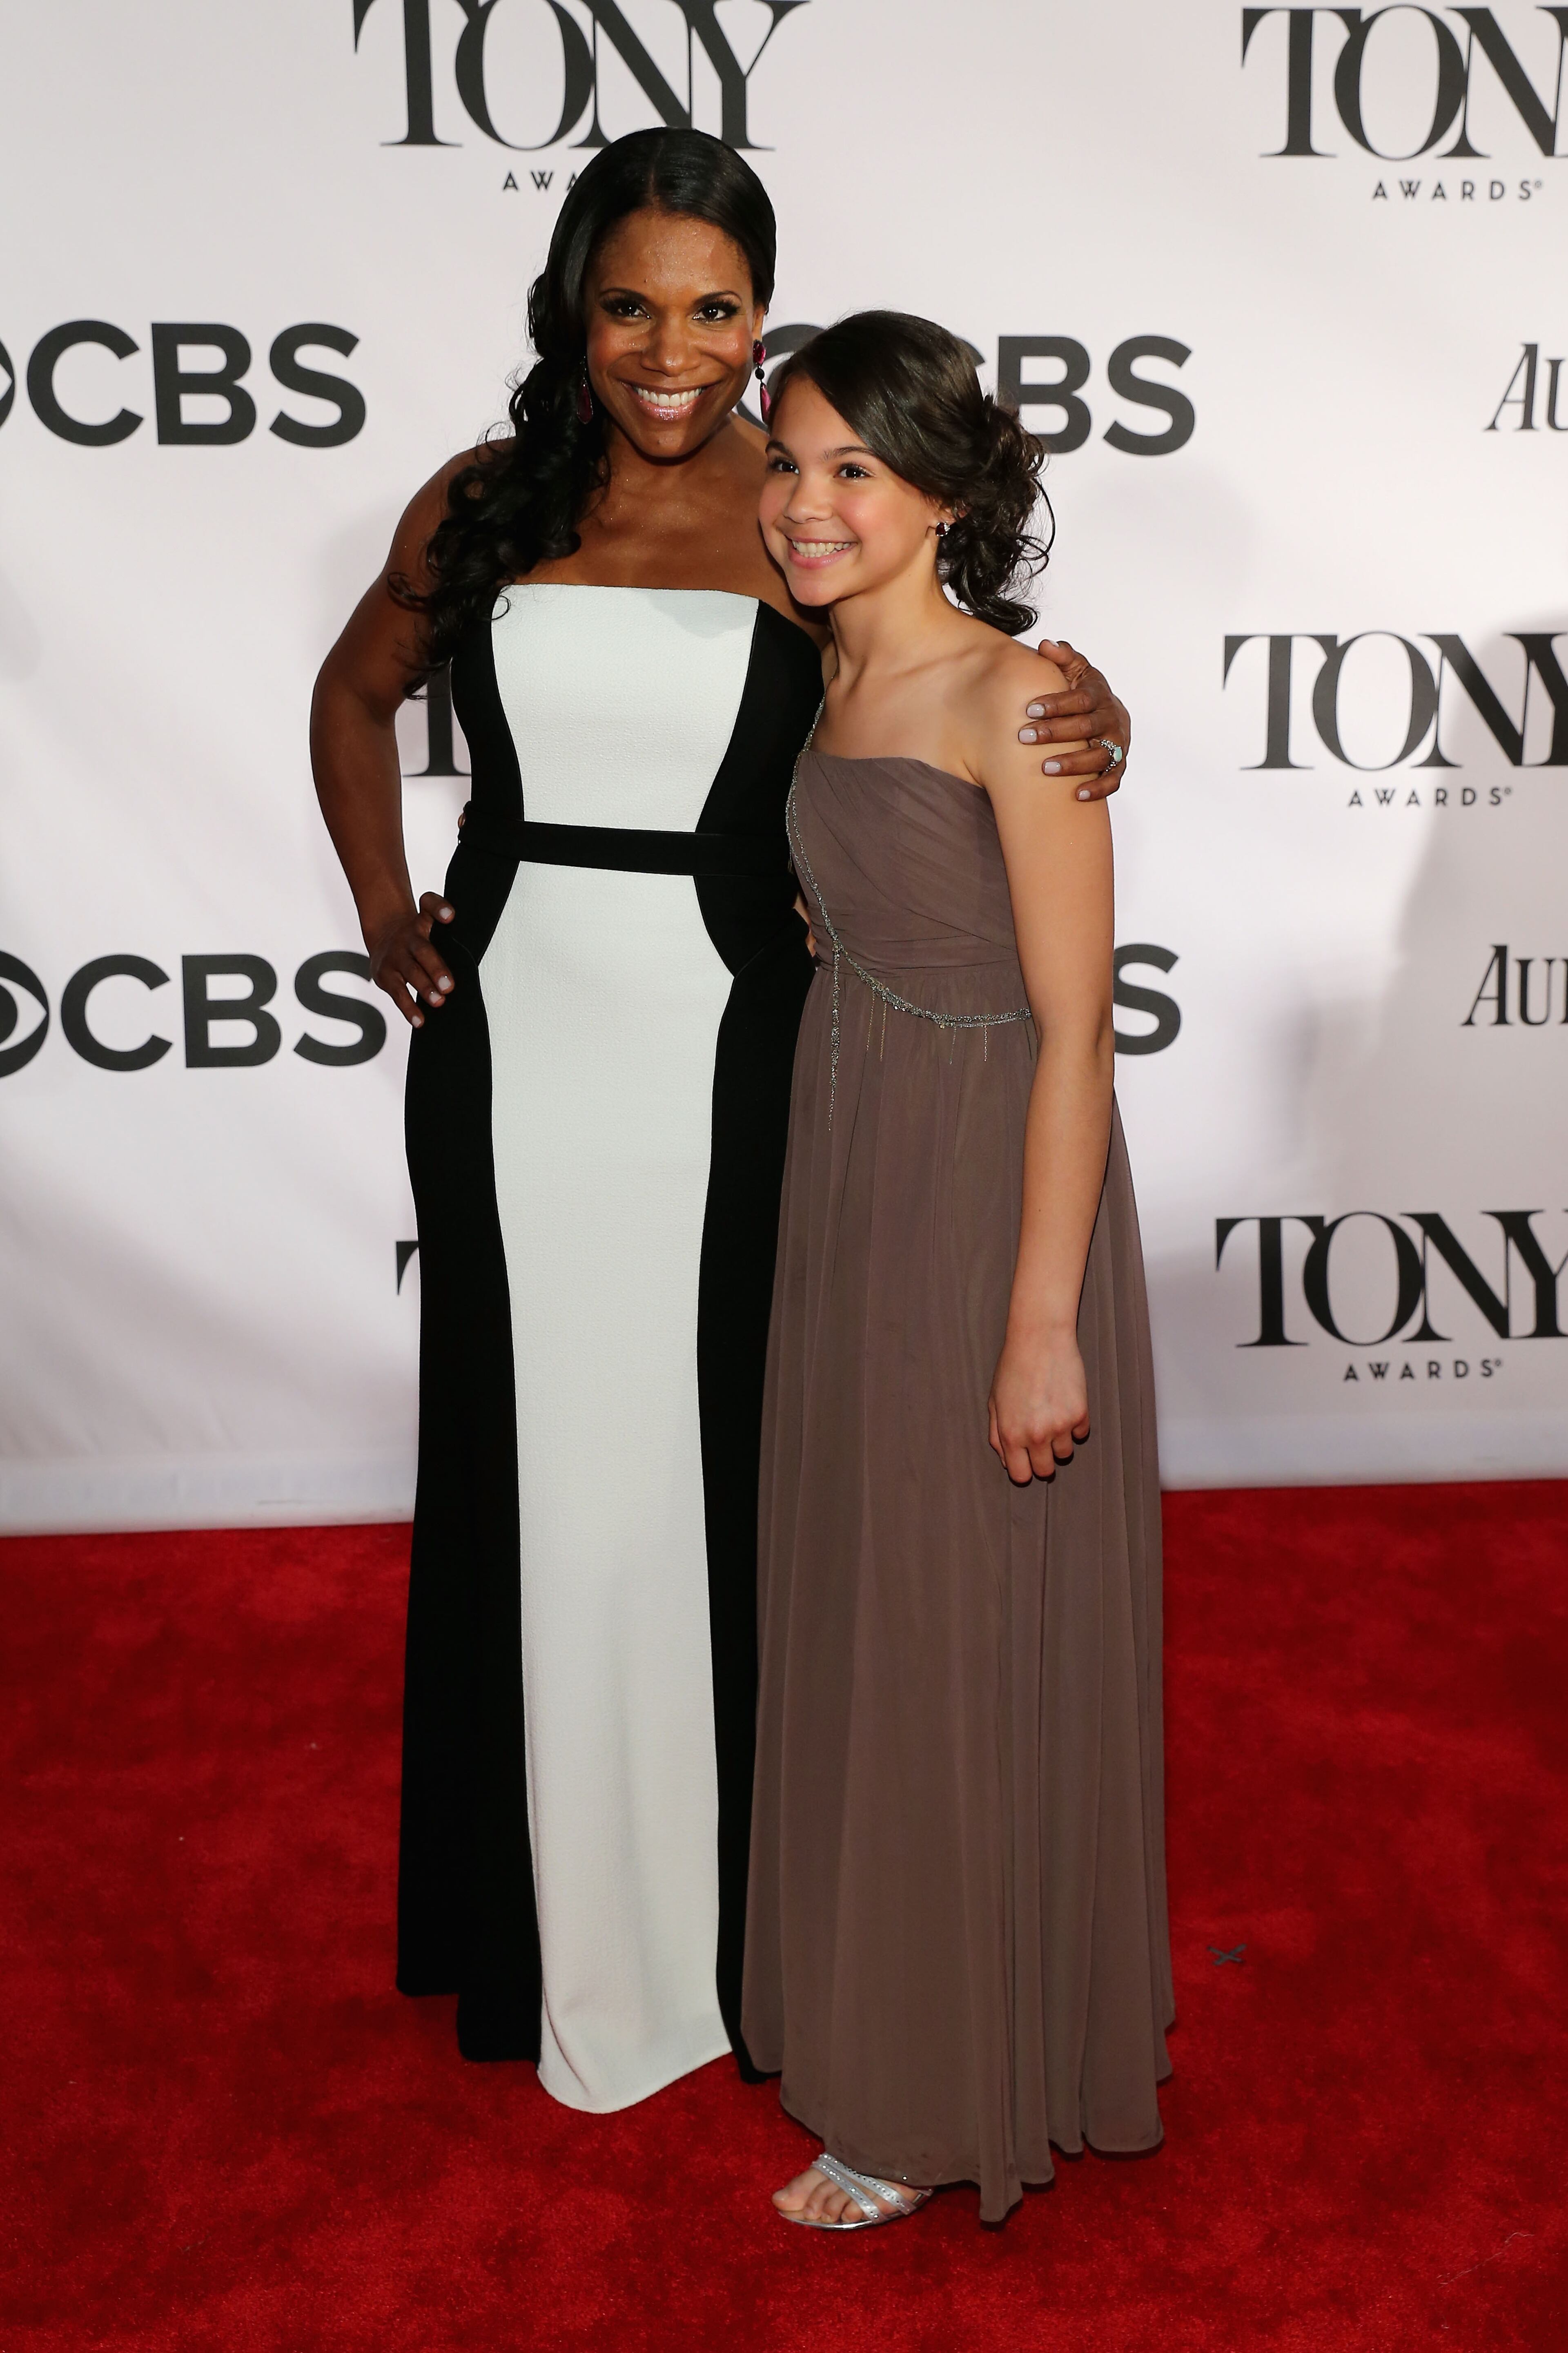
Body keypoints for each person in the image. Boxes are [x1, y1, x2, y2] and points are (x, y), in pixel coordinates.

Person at [310, 131, 1134, 2114]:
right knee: (541, 1481)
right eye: (629, 302)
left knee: (736, 1486)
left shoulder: (795, 523)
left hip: (750, 1055)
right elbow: (353, 699)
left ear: (761, 321)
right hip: (513, 1057)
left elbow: (943, 684)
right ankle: (547, 1935)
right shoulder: (486, 503)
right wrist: (379, 912)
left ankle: (758, 1942)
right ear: (571, 307)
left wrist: (1091, 719)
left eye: (713, 309)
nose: (669, 349)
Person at [743, 314, 1171, 2226]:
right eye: (792, 464)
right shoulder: (820, 673)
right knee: (875, 1607)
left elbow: (1078, 1032)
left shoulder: (1020, 698)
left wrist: (1038, 1320)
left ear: (944, 496)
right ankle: (884, 2013)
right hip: (857, 1173)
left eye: (854, 469)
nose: (809, 504)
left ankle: (934, 2093)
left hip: (996, 1193)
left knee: (958, 1612)